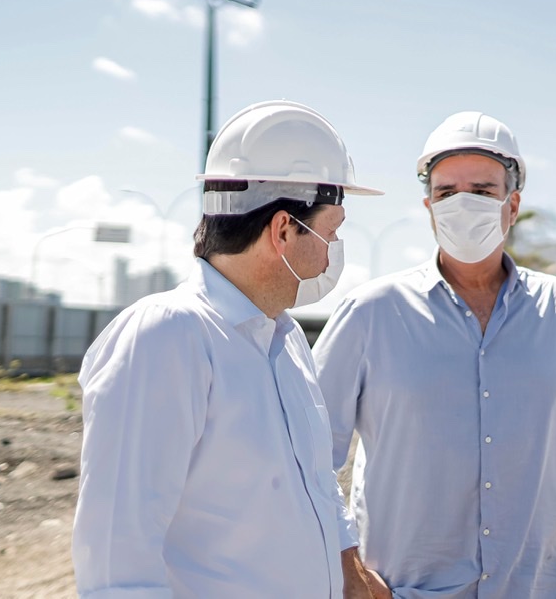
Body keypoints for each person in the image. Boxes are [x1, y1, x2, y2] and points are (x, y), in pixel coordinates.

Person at [314, 111, 556, 599]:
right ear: (428, 206)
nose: (463, 205)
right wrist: (347, 569)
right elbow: (306, 456)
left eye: (483, 192)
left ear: (513, 206)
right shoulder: (369, 313)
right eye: (446, 193)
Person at [72, 100, 388, 598]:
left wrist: (347, 566)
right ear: (285, 229)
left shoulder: (285, 342)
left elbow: (315, 484)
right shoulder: (166, 335)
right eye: (332, 231)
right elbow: (118, 557)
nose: (334, 249)